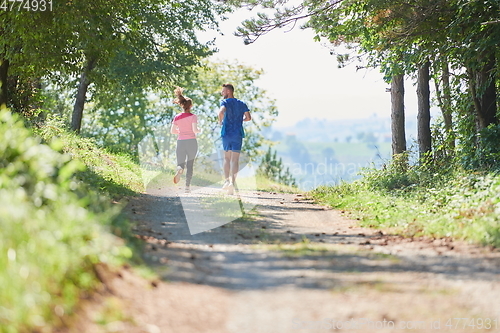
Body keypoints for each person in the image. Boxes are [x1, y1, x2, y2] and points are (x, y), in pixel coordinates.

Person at [218, 83, 251, 195]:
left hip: (227, 134)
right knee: (235, 160)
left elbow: (221, 112)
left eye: (223, 91)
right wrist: (239, 121)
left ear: (228, 91)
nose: (222, 93)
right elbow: (248, 117)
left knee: (227, 159)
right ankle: (233, 183)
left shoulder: (225, 102)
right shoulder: (241, 103)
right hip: (238, 134)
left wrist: (220, 121)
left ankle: (227, 181)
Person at [171, 87, 200, 193]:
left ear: (182, 105)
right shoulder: (193, 116)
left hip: (181, 142)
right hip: (192, 142)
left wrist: (181, 131)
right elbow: (194, 130)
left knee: (181, 162)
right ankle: (187, 187)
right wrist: (199, 130)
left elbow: (172, 131)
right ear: (191, 106)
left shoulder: (177, 117)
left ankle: (179, 168)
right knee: (190, 165)